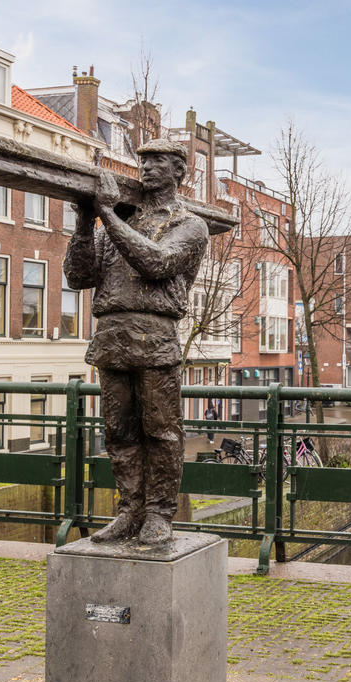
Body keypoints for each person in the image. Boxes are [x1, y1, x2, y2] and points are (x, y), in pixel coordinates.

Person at [64, 138, 208, 545]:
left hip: (155, 338)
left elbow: (156, 262)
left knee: (161, 431)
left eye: (157, 161)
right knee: (118, 431)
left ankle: (159, 513)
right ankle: (129, 511)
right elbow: (78, 276)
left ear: (179, 171)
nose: (145, 168)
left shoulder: (188, 224)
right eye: (142, 161)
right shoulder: (117, 223)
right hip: (111, 336)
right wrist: (85, 222)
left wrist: (108, 214)